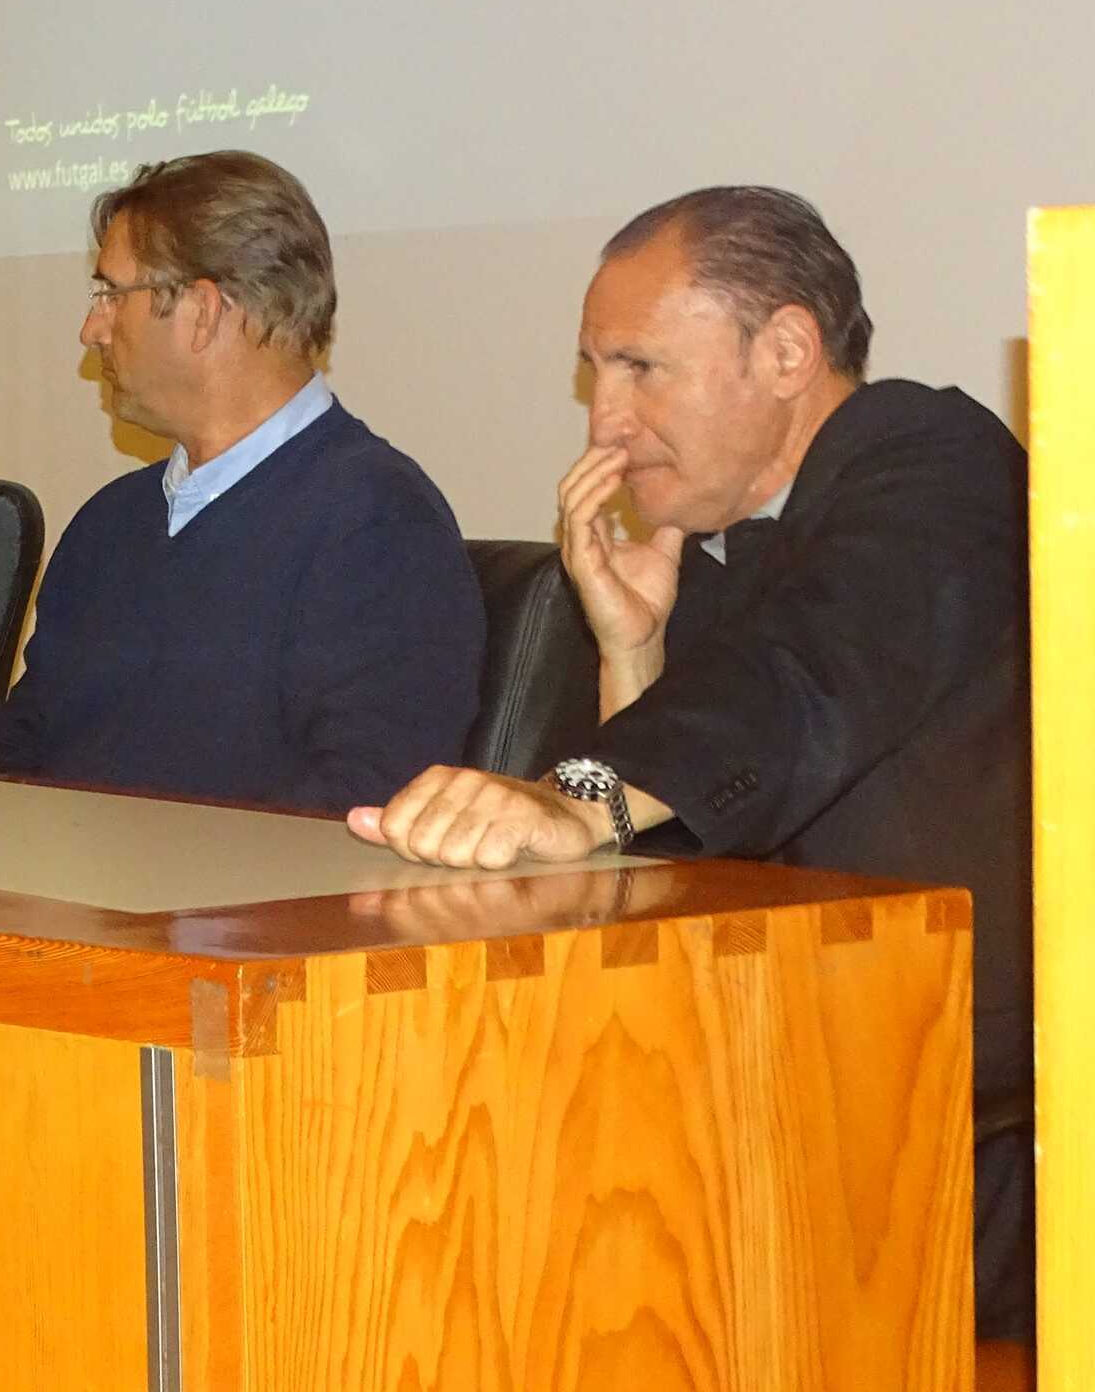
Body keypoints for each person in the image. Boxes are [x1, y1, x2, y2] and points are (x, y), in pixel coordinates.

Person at [345, 186, 1031, 1343]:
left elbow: (806, 681)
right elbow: (681, 864)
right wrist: (635, 651)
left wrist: (581, 795)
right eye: (593, 374)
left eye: (640, 369)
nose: (605, 421)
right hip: (784, 1072)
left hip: (963, 1130)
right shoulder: (714, 551)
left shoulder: (929, 457)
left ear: (787, 351)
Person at [0, 151, 482, 808]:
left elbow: (364, 801)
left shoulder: (381, 526)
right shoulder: (111, 521)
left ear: (205, 310)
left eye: (111, 295)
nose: (91, 329)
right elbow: (18, 747)